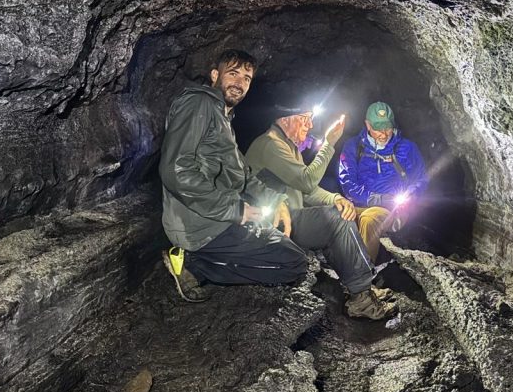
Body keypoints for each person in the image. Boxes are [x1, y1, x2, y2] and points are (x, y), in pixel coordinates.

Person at [159, 49, 308, 301]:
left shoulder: (223, 117)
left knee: (291, 251)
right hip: (198, 225)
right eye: (233, 73)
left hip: (218, 216)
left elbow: (244, 175)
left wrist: (278, 200)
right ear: (215, 75)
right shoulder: (200, 104)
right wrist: (236, 210)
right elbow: (175, 171)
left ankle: (206, 260)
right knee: (294, 263)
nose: (240, 83)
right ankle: (192, 264)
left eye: (247, 78)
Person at [244, 98, 397, 320]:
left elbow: (307, 191)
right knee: (338, 221)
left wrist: (335, 198)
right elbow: (307, 181)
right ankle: (361, 298)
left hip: (289, 217)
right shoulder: (271, 144)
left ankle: (359, 289)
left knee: (341, 213)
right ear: (287, 120)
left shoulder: (285, 145)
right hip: (274, 223)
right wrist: (329, 143)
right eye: (306, 120)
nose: (310, 126)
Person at [338, 101, 427, 261]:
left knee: (369, 219)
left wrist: (409, 196)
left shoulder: (407, 148)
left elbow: (421, 179)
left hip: (391, 209)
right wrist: (374, 198)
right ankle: (335, 264)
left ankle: (363, 275)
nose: (384, 134)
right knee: (332, 214)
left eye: (388, 128)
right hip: (358, 205)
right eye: (378, 128)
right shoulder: (353, 146)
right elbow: (347, 183)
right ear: (367, 125)